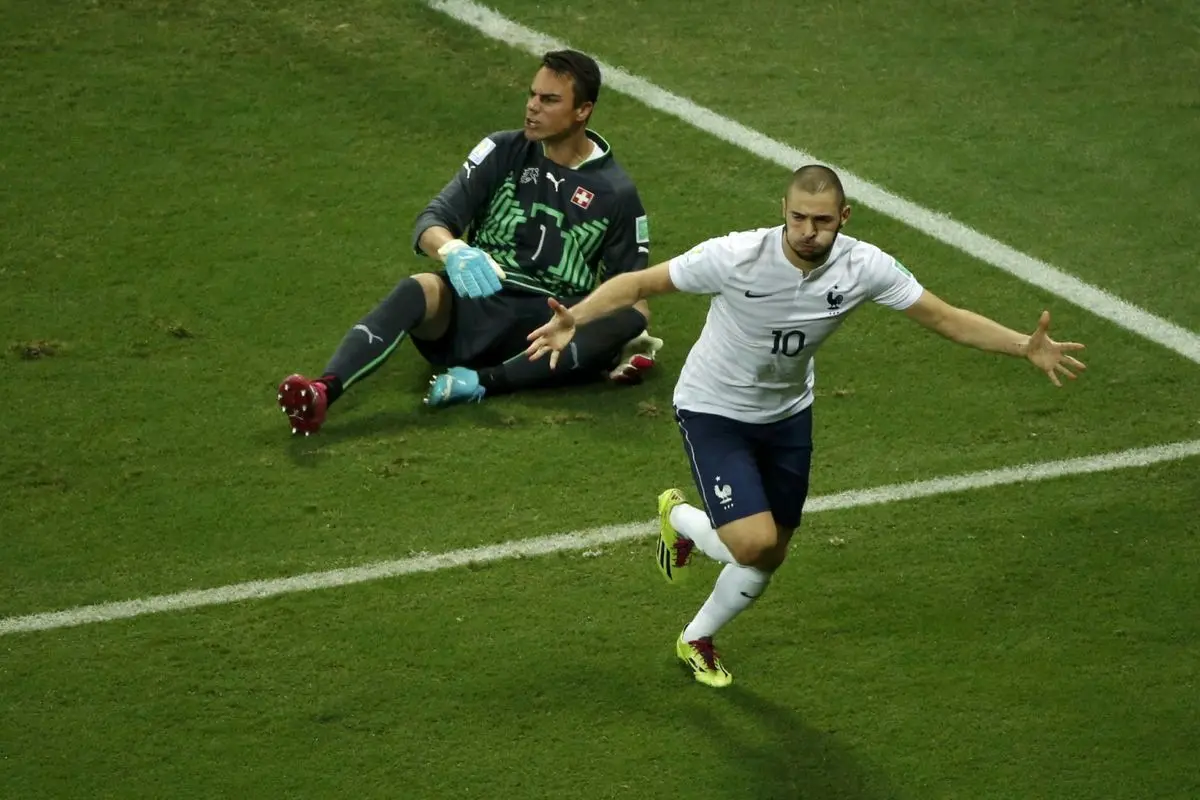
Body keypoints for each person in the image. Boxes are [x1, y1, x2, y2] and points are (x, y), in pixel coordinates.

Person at [525, 164, 1087, 687]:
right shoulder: (735, 256)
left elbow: (945, 318)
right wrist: (577, 319)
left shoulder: (865, 267)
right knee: (752, 542)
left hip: (788, 414)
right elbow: (638, 284)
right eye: (798, 218)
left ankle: (695, 637)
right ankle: (682, 518)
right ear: (784, 211)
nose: (808, 231)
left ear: (844, 218)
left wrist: (1023, 346)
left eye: (821, 220)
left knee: (772, 554)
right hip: (714, 409)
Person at [277, 49, 662, 435]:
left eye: (549, 100)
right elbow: (431, 221)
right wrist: (453, 249)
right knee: (418, 288)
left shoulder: (615, 194)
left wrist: (609, 324)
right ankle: (322, 391)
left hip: (543, 323)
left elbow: (632, 293)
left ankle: (487, 381)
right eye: (532, 95)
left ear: (583, 110)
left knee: (627, 316)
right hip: (478, 298)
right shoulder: (502, 151)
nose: (532, 107)